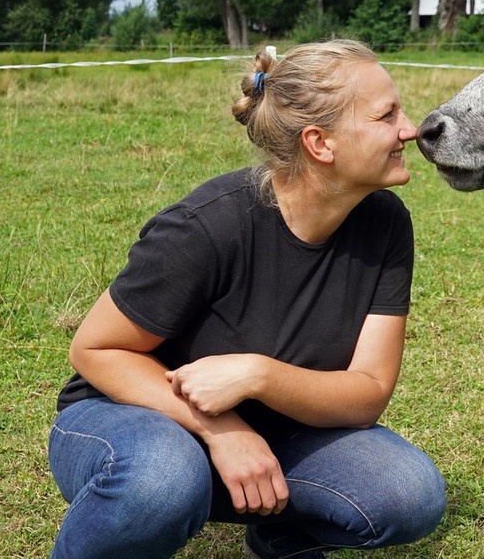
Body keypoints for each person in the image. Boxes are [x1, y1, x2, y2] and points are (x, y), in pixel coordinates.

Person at [47, 41, 446, 559]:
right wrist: (222, 429)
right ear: (319, 143)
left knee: (409, 493)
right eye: (386, 115)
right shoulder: (206, 227)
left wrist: (259, 374)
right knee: (164, 480)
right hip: (126, 416)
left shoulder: (385, 222)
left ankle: (281, 530)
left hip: (276, 433)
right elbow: (96, 352)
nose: (409, 128)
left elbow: (367, 392)